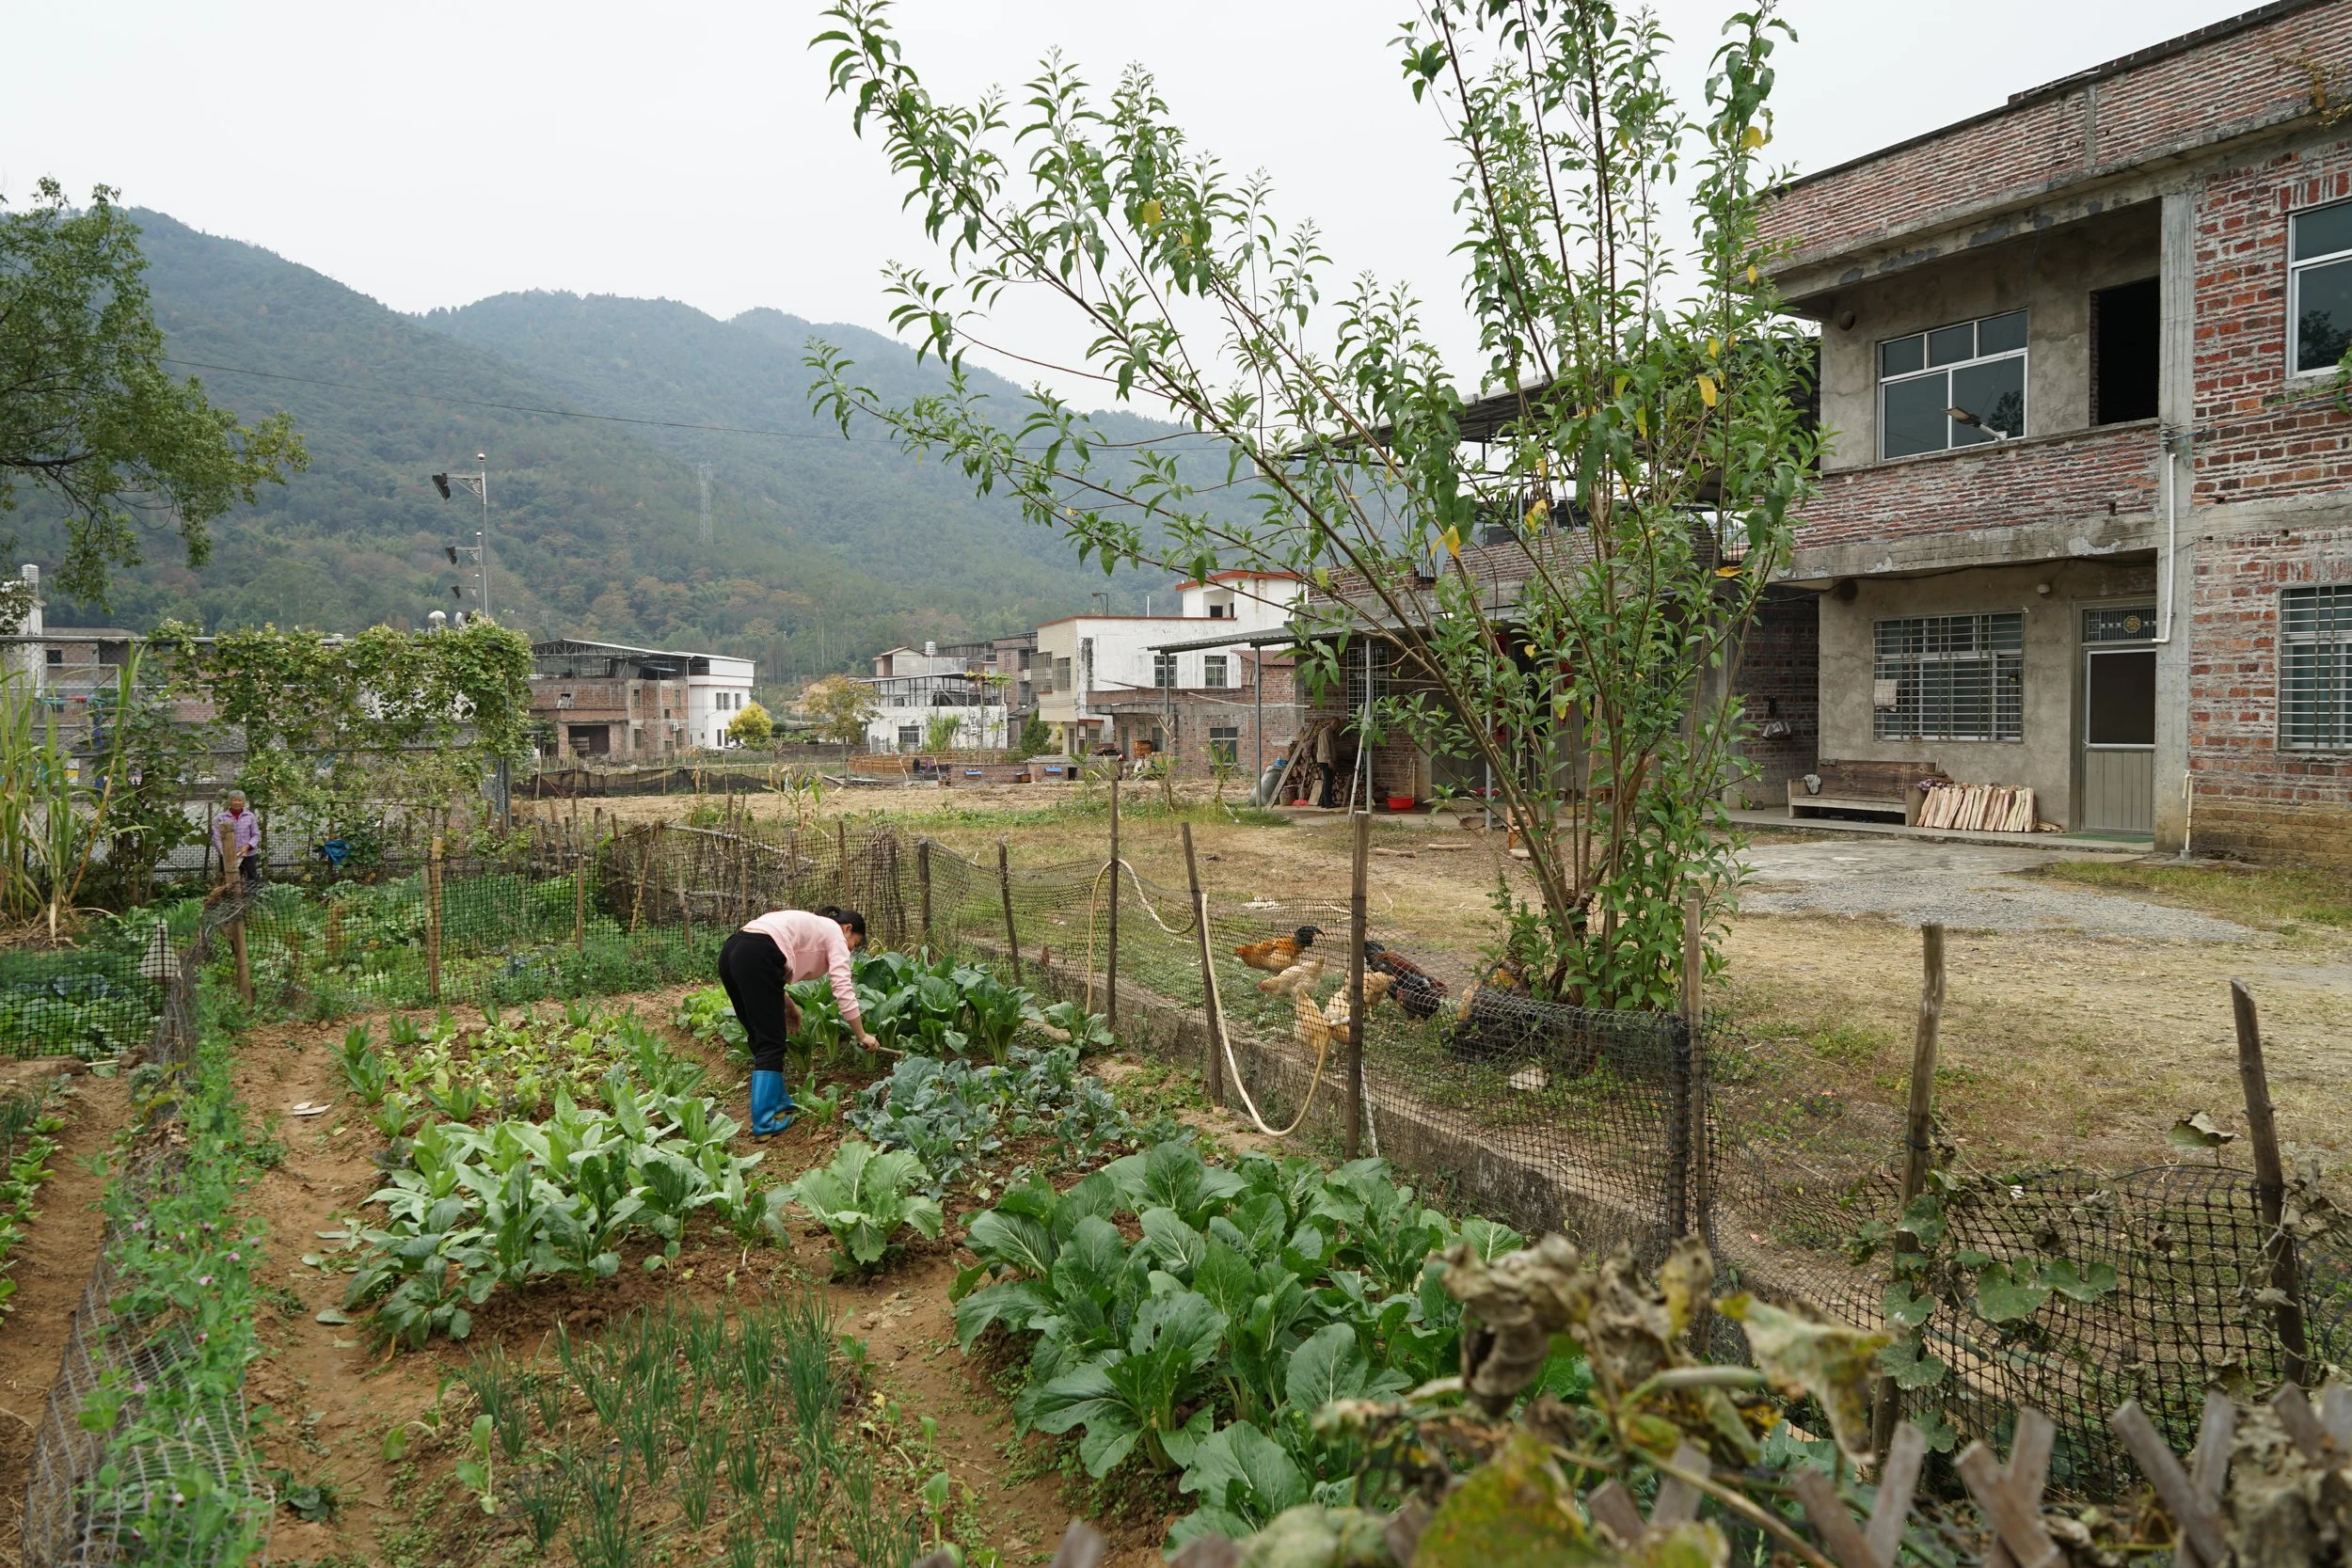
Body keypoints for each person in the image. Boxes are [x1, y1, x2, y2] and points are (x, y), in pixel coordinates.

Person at [719, 904, 879, 1137]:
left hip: (733, 950)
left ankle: (777, 1099)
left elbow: (769, 975)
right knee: (771, 1042)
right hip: (756, 953)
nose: (850, 950)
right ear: (848, 928)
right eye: (854, 943)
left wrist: (791, 1009)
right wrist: (862, 1035)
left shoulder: (810, 928)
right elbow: (842, 988)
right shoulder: (835, 934)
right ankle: (764, 1122)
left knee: (760, 1035)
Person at [215, 790, 262, 887]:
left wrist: (247, 846)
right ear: (229, 801)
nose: (237, 803)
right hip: (228, 856)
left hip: (247, 854)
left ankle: (251, 899)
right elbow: (217, 838)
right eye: (234, 800)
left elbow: (256, 835)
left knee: (251, 879)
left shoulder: (250, 816)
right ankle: (230, 899)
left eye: (240, 800)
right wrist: (225, 853)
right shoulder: (221, 817)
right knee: (228, 881)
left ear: (243, 802)